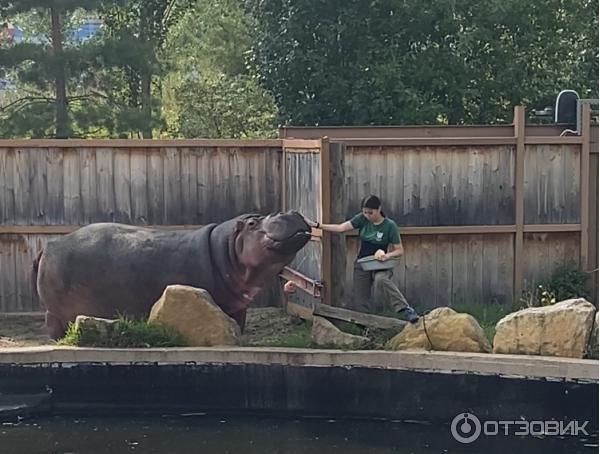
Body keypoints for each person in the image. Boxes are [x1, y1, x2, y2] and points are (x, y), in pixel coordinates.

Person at [300, 195, 419, 323]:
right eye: (365, 212)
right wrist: (317, 225)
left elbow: (399, 250)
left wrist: (387, 256)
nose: (367, 215)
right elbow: (341, 228)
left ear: (379, 209)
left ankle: (405, 309)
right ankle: (366, 329)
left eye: (370, 212)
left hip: (380, 264)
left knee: (381, 280)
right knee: (360, 300)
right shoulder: (362, 219)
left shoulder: (390, 226)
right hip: (363, 263)